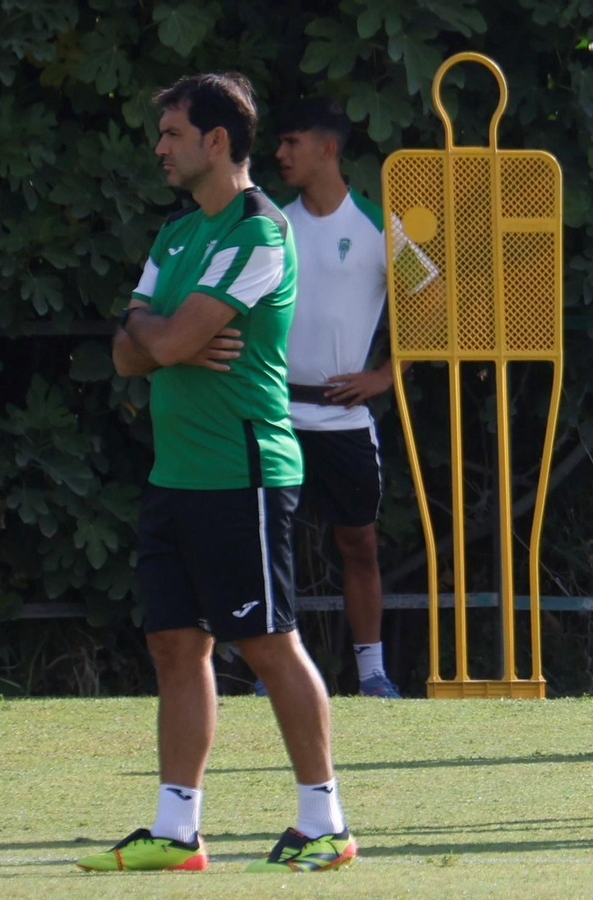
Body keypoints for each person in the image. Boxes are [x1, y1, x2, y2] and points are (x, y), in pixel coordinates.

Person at [78, 72, 356, 874]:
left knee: (268, 644)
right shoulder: (174, 237)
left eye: (170, 133)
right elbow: (133, 351)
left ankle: (325, 823)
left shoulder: (260, 234)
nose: (159, 147)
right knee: (172, 644)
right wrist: (156, 328)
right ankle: (176, 832)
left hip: (245, 470)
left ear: (216, 141)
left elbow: (158, 346)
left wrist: (159, 332)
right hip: (178, 476)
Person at [271, 96, 405, 699]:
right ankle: (272, 674)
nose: (279, 155)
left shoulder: (379, 227)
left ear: (327, 148)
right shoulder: (269, 224)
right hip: (274, 413)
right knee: (269, 539)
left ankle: (372, 673)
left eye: (291, 142)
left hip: (346, 419)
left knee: (359, 541)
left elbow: (437, 311)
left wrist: (385, 377)